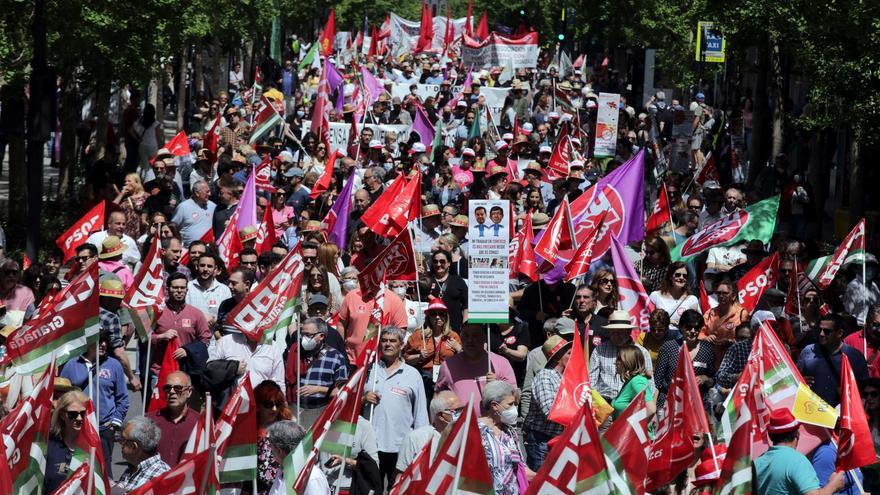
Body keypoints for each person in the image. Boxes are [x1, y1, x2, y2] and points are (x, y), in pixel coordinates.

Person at [362, 326, 429, 489]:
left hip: (401, 446)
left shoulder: (413, 374)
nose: (387, 344)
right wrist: (364, 399)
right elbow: (352, 404)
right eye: (384, 341)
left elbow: (420, 412)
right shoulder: (369, 370)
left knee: (398, 490)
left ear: (401, 346)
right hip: (371, 445)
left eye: (392, 341)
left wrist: (422, 444)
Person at [59, 331, 129, 475]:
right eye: (98, 340)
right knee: (77, 470)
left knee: (104, 472)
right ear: (87, 342)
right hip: (77, 428)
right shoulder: (71, 365)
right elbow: (61, 397)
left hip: (104, 429)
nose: (103, 344)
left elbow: (122, 398)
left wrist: (115, 422)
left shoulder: (114, 365)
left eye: (105, 341)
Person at [753, 408, 845, 495]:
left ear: (770, 436)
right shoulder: (797, 461)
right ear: (797, 434)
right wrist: (833, 485)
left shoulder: (757, 463)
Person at [435, 323, 518, 414]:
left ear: (484, 338)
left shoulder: (501, 363)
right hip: (460, 425)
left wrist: (498, 385)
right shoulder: (448, 365)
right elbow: (437, 398)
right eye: (466, 335)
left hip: (493, 425)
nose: (470, 340)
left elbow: (516, 398)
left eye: (475, 336)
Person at [285, 317, 348, 429]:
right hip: (295, 411)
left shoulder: (336, 357)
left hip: (320, 412)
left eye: (308, 335)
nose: (304, 339)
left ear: (321, 336)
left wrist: (317, 389)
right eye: (302, 334)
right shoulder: (295, 352)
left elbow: (341, 391)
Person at [151, 272, 211, 388]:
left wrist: (188, 351)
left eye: (183, 288)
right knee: (158, 406)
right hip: (160, 371)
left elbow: (205, 339)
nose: (179, 291)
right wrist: (160, 337)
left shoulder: (196, 314)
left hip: (186, 372)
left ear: (187, 290)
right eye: (175, 287)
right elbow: (144, 338)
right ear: (168, 289)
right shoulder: (156, 312)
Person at [797, 313, 868, 406]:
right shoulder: (808, 351)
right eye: (820, 329)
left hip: (841, 414)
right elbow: (794, 379)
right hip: (810, 411)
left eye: (827, 331)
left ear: (839, 333)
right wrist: (800, 382)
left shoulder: (855, 357)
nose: (821, 334)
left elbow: (863, 388)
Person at [523, 334, 572, 470]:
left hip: (557, 438)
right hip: (542, 440)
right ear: (557, 357)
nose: (572, 356)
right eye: (569, 353)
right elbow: (550, 410)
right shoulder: (545, 376)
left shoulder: (564, 377)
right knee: (541, 481)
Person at [478, 380, 533, 495]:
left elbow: (521, 469)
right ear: (494, 405)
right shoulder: (475, 431)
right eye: (510, 404)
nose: (514, 409)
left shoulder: (510, 431)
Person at [403, 298, 463, 401]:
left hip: (447, 378)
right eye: (434, 314)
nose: (438, 317)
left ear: (446, 317)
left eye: (441, 314)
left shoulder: (453, 336)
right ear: (428, 317)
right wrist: (419, 356)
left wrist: (459, 349)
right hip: (424, 378)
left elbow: (464, 360)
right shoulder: (419, 335)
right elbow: (406, 358)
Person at [654, 309, 715, 409]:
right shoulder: (668, 347)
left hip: (696, 405)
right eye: (689, 327)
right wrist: (653, 409)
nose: (692, 331)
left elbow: (714, 380)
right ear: (682, 327)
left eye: (696, 328)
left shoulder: (707, 349)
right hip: (669, 404)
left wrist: (705, 378)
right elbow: (657, 382)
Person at [338, 277, 408, 363]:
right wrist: (341, 350)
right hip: (352, 360)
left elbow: (401, 331)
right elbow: (341, 324)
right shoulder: (352, 296)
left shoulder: (394, 300)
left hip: (381, 361)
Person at [589, 310, 654, 402]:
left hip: (630, 405)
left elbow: (650, 384)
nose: (616, 336)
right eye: (612, 332)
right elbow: (591, 381)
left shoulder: (641, 352)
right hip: (603, 403)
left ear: (629, 331)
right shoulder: (599, 350)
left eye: (620, 332)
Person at [394, 391, 462, 477]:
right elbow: (401, 476)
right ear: (441, 415)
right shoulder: (415, 438)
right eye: (456, 411)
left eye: (463, 409)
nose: (462, 414)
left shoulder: (464, 436)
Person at [145, 370, 200, 466]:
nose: (171, 392)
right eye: (167, 388)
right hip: (156, 479)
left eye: (178, 388)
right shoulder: (150, 420)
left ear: (189, 392)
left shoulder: (200, 423)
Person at [265, 420, 332, 495]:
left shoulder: (312, 478)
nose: (270, 450)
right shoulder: (283, 472)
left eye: (271, 446)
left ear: (279, 451)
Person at [44, 390, 92, 493]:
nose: (79, 418)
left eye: (83, 413)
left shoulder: (93, 446)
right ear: (62, 415)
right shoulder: (49, 444)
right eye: (72, 414)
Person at [255, 380, 294, 494]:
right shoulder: (246, 430)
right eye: (269, 404)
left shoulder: (287, 427)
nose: (274, 409)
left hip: (279, 489)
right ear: (257, 405)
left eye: (278, 404)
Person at [116, 416, 171, 492]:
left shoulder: (160, 476)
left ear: (134, 447)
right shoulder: (133, 467)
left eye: (123, 439)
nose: (120, 444)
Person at [649, 262, 700, 331]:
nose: (681, 278)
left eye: (685, 276)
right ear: (670, 276)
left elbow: (693, 324)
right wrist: (669, 321)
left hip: (680, 339)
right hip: (659, 338)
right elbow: (649, 319)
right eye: (678, 275)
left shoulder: (692, 300)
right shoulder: (655, 296)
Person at [427, 250, 469, 331]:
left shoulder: (458, 280)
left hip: (454, 327)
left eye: (442, 261)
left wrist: (465, 326)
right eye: (435, 261)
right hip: (433, 328)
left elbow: (466, 305)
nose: (438, 264)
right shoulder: (428, 281)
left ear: (449, 263)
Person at [611, 345, 657, 419]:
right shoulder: (630, 381)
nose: (615, 362)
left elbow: (651, 409)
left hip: (635, 430)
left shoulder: (637, 381)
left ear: (629, 361)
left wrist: (629, 425)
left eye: (619, 359)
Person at [185, 253, 231, 327]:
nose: (205, 269)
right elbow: (181, 314)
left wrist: (216, 320)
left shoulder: (224, 290)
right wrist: (199, 321)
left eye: (209, 266)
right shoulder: (188, 287)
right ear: (197, 266)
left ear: (215, 269)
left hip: (215, 337)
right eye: (202, 265)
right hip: (192, 336)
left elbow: (228, 315)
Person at [171, 179, 216, 246]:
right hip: (190, 250)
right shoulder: (183, 207)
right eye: (207, 192)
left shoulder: (212, 206)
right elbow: (173, 227)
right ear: (197, 193)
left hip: (208, 249)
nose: (210, 194)